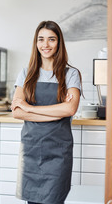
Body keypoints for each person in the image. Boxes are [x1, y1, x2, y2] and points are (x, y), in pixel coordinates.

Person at [11, 20, 82, 204]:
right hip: (32, 149)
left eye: (51, 39)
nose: (46, 44)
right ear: (36, 43)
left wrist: (30, 108)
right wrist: (56, 113)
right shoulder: (26, 73)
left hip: (58, 152)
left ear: (59, 43)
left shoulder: (70, 74)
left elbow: (70, 108)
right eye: (41, 39)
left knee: (55, 201)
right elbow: (17, 112)